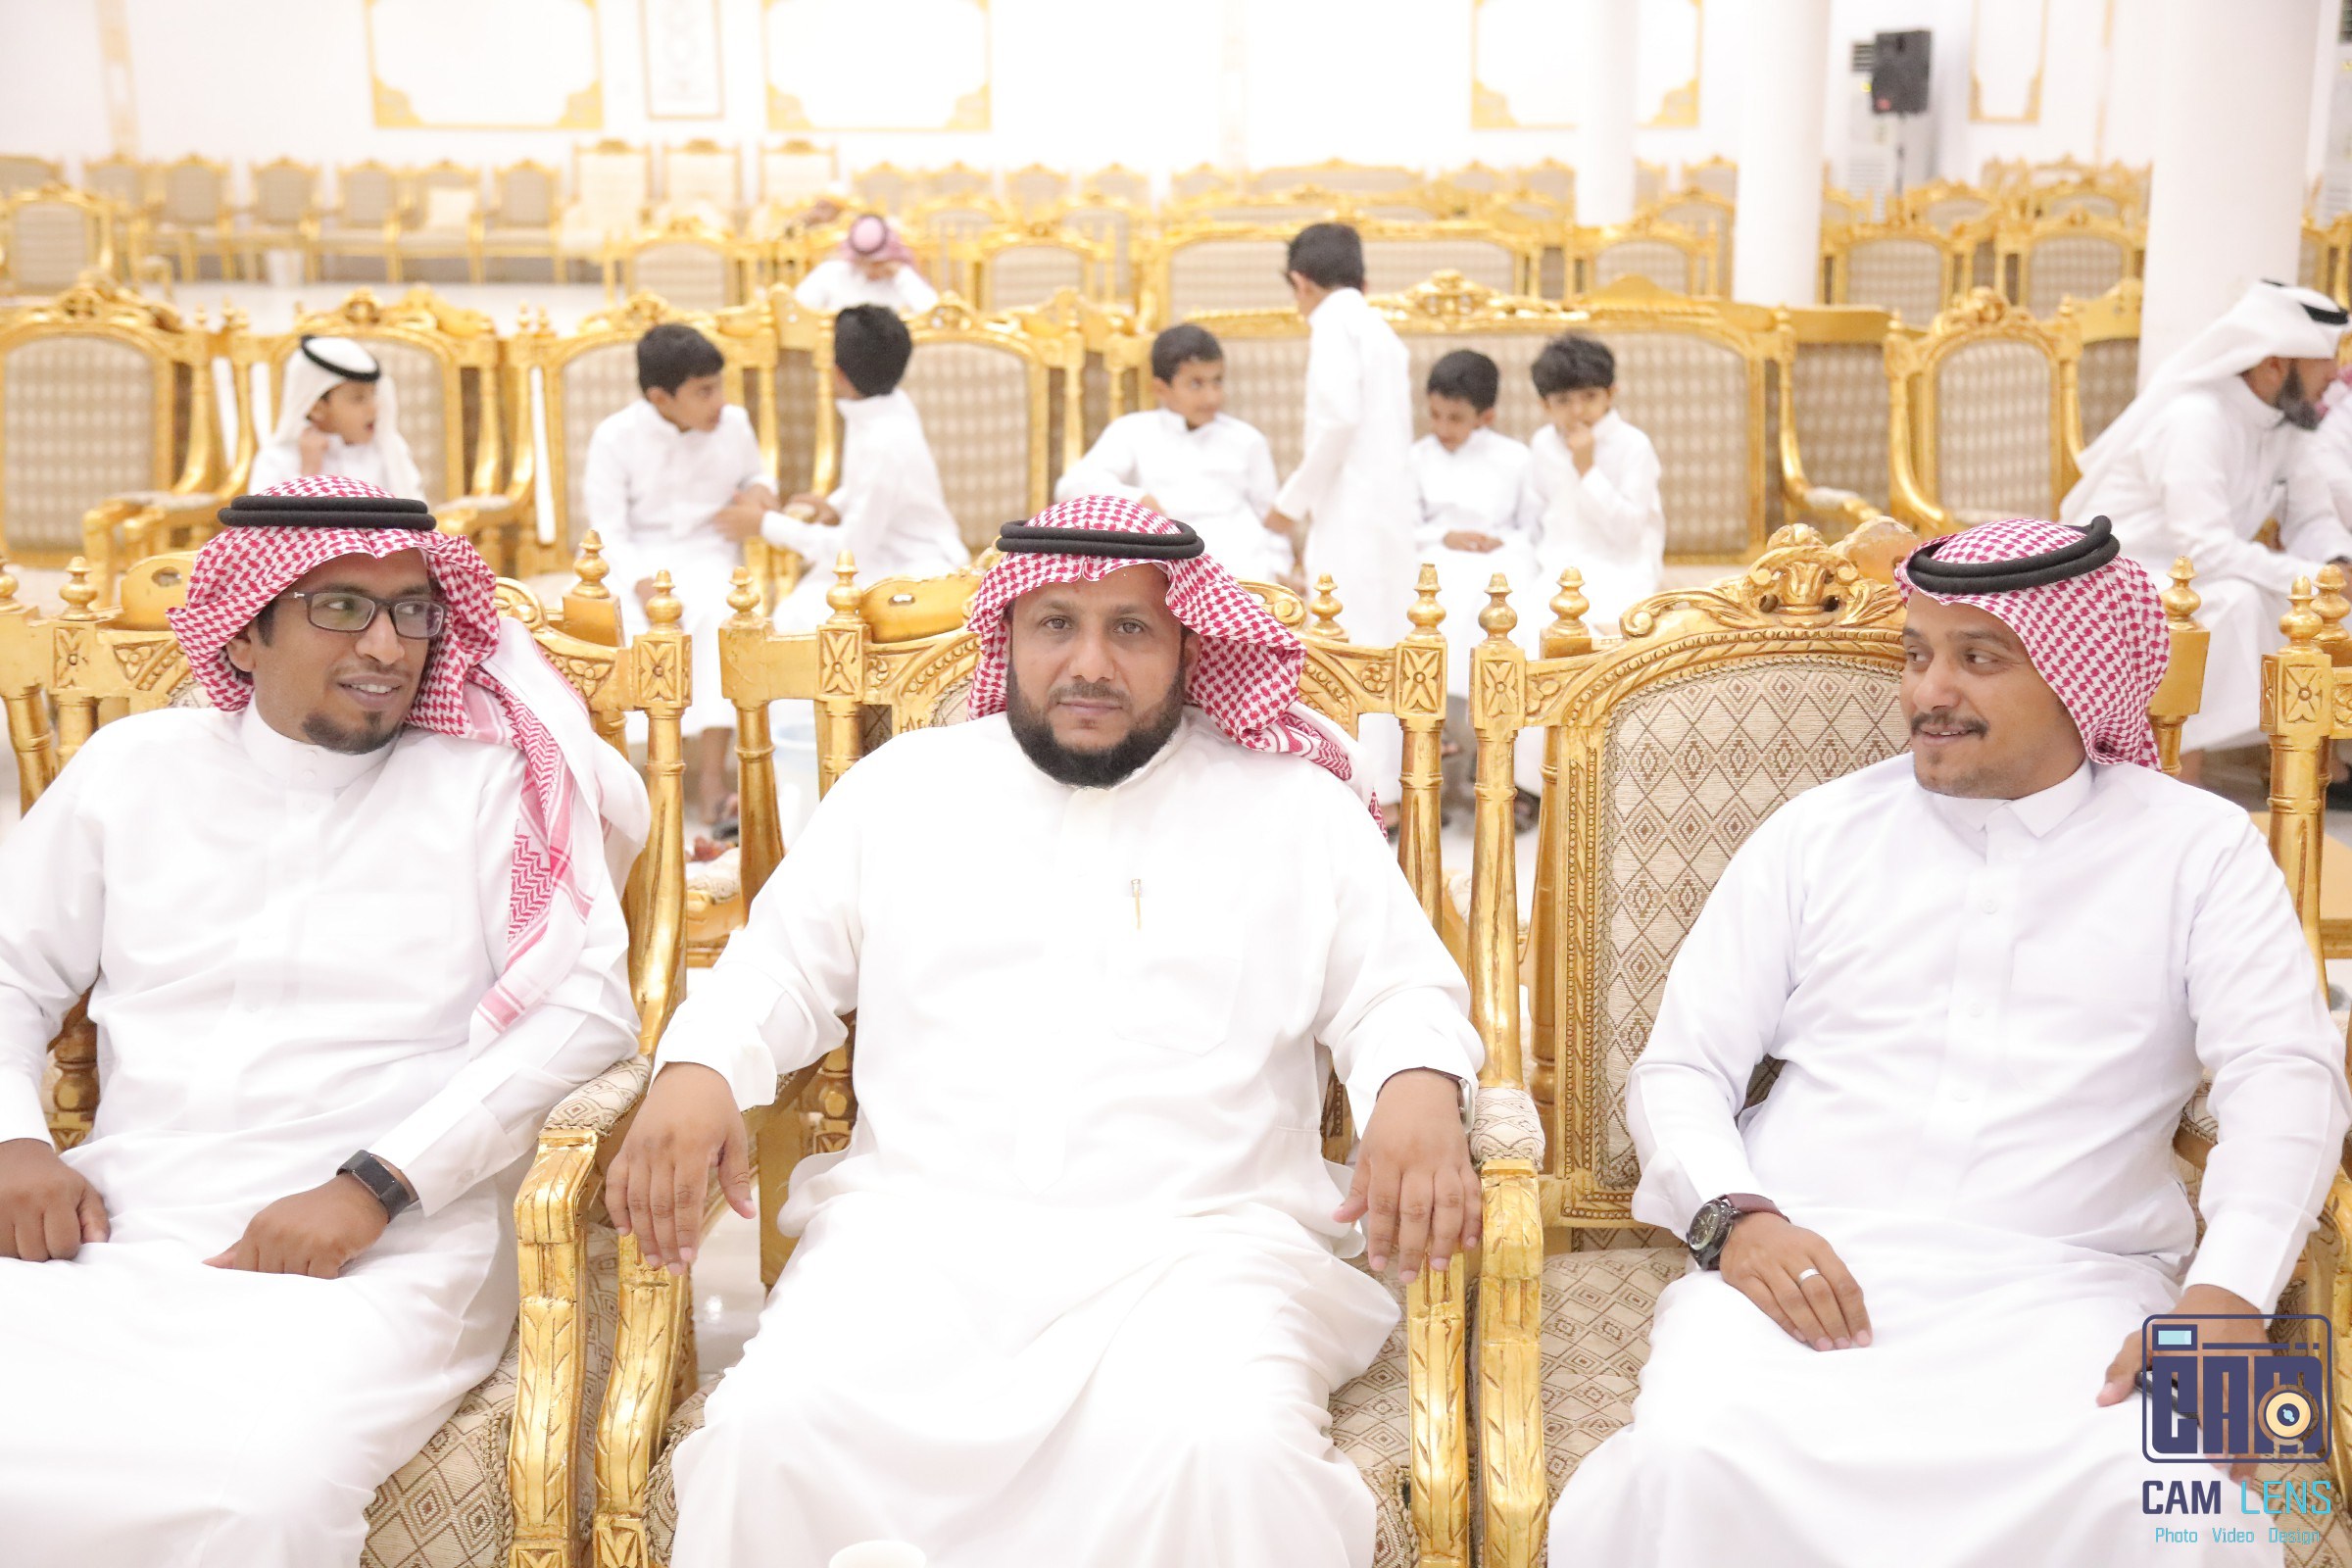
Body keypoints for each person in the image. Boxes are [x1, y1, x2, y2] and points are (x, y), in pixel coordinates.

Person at [611, 495, 1485, 1568]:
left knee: (1229, 1454)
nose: (1090, 663)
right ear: (1010, 632)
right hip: (913, 1244)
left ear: (1189, 643)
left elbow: (1400, 990)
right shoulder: (902, 792)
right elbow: (776, 967)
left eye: (1132, 629)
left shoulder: (1295, 810)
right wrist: (698, 1067)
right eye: (1057, 624)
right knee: (765, 1435)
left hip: (1201, 1257)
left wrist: (1416, 1085)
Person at [1546, 515, 2348, 1568]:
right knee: (1690, 1461)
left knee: (2178, 1504)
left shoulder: (2198, 850)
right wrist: (1733, 1220)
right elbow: (1681, 1067)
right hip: (1805, 1270)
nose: (1931, 691)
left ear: (2078, 677)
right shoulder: (1817, 834)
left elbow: (2286, 1078)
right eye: (1917, 655)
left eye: (1980, 659)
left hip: (2076, 1285)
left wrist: (2226, 1300)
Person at [0, 476, 643, 1568]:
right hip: (121, 1215)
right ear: (243, 632)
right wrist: (17, 1142)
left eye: (412, 612)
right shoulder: (133, 770)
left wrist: (372, 1187)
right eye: (341, 607)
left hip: (386, 1251)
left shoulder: (485, 786)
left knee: (254, 1492)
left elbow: (586, 1013)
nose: (388, 647)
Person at [2061, 279, 2350, 766]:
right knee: (2243, 602)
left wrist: (2338, 563)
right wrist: (2319, 581)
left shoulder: (2285, 423)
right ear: (2274, 364)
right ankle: (2176, 765)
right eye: (2326, 359)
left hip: (2194, 577)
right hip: (2121, 578)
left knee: (2309, 605)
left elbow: (2313, 517)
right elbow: (2206, 548)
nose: (2336, 375)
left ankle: (2312, 767)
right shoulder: (2196, 418)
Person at [583, 321, 774, 826]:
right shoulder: (614, 437)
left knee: (716, 615)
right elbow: (607, 529)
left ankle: (711, 779)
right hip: (635, 561)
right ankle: (633, 785)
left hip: (709, 551)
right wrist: (641, 583)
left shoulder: (734, 423)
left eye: (719, 386)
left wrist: (760, 492)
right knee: (623, 624)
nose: (720, 402)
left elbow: (755, 474)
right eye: (703, 392)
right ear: (661, 398)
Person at [1264, 222, 1417, 808]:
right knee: (1386, 637)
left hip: (1352, 509)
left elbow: (1337, 423)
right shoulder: (1379, 327)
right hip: (1387, 508)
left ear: (1300, 282)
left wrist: (1289, 504)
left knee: (1350, 641)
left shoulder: (1332, 324)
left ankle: (1368, 791)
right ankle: (1392, 784)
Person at [760, 304, 969, 633]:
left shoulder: (883, 441)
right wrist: (835, 505)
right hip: (881, 548)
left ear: (838, 373)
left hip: (914, 568)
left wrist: (766, 524)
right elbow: (868, 490)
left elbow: (850, 549)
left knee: (795, 620)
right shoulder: (886, 406)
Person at [1407, 348, 1543, 810]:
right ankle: (1439, 733)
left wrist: (1498, 541)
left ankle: (1497, 747)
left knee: (1500, 598)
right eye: (1435, 415)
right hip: (1435, 551)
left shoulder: (1516, 458)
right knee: (1436, 592)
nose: (1442, 428)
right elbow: (1406, 523)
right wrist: (1445, 536)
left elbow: (1531, 528)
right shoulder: (1417, 457)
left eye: (1456, 418)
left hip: (1501, 555)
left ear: (1485, 416)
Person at [1053, 322, 1290, 583]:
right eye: (1196, 384)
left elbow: (1272, 521)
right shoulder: (1133, 431)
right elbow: (1072, 486)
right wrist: (1137, 499)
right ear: (1160, 389)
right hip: (1166, 570)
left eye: (1217, 381)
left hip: (1244, 570)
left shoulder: (1247, 439)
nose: (1212, 397)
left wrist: (1280, 571)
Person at [1522, 332, 1663, 630]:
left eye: (1589, 397)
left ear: (1610, 394)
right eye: (1563, 401)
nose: (1577, 411)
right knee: (1533, 630)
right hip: (1556, 568)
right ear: (1545, 405)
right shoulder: (1543, 443)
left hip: (1622, 567)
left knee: (1604, 635)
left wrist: (1587, 469)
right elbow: (1535, 516)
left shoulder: (1633, 445)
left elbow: (1628, 533)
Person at [247, 336, 426, 499]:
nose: (373, 408)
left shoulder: (388, 453)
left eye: (374, 394)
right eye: (358, 399)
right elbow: (265, 523)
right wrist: (308, 474)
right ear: (317, 408)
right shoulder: (277, 460)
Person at [792, 213, 940, 317]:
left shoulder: (904, 279)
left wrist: (902, 276)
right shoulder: (831, 273)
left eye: (878, 263)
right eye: (865, 262)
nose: (871, 269)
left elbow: (935, 317)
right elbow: (797, 312)